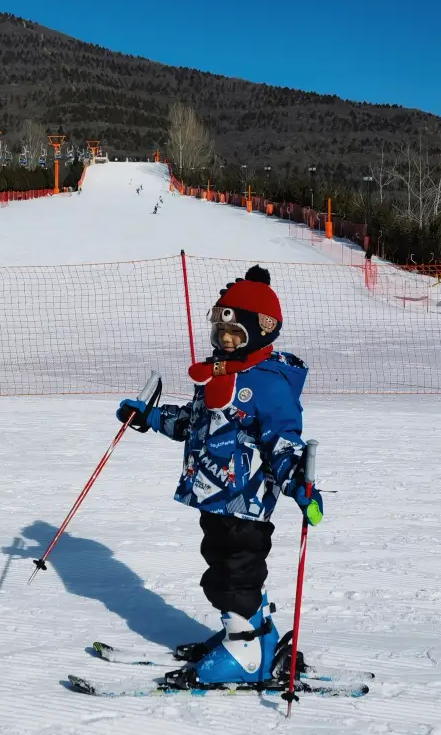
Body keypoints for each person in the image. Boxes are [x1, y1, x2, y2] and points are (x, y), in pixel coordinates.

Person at [116, 266, 322, 689]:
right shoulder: (218, 374)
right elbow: (194, 425)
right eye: (220, 331)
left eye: (236, 335)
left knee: (234, 573)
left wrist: (300, 483)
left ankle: (245, 651)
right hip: (213, 495)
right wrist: (151, 416)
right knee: (224, 563)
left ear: (260, 333)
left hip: (244, 501)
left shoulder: (268, 384)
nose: (225, 341)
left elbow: (283, 440)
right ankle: (254, 635)